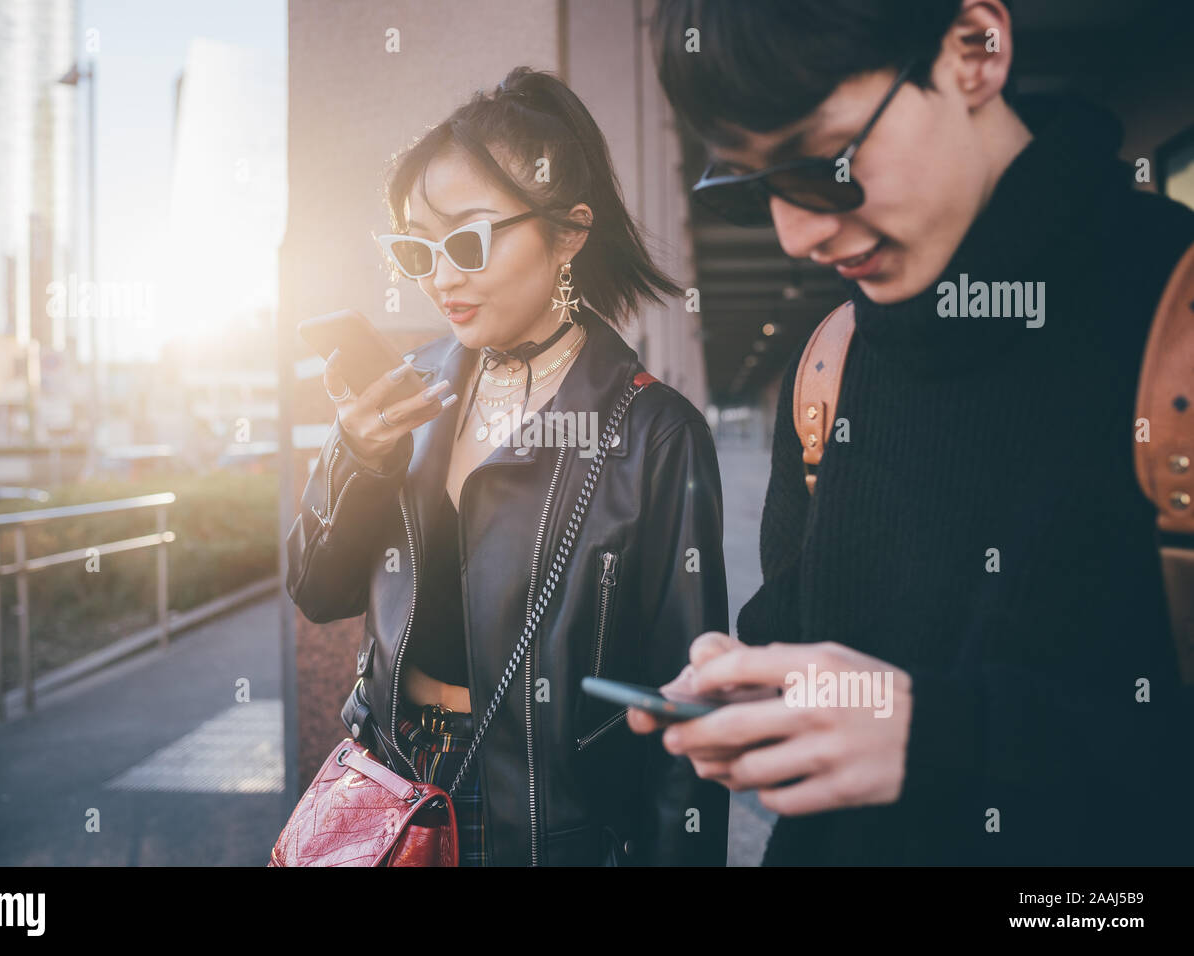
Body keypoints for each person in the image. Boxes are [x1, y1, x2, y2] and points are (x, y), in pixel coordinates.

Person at [633, 0, 1194, 865]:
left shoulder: (1174, 325)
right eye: (750, 185)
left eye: (827, 161)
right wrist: (749, 684)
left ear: (975, 50)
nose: (798, 232)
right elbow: (793, 628)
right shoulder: (831, 361)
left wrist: (937, 737)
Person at [285, 66, 730, 866]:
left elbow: (686, 716)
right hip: (393, 799)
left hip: (551, 826)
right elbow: (318, 592)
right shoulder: (408, 391)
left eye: (467, 241)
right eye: (417, 249)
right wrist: (360, 458)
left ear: (569, 232)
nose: (440, 277)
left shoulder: (656, 433)